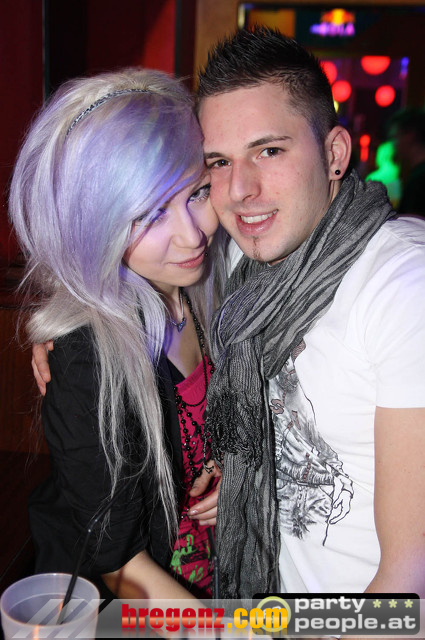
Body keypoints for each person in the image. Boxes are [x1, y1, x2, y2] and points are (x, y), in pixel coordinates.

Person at [197, 27, 425, 598]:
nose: (240, 189)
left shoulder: (401, 286)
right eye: (219, 161)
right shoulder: (241, 265)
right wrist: (62, 329)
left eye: (269, 151)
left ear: (334, 154)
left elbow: (409, 586)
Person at [10, 67, 225, 600]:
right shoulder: (84, 356)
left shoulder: (217, 288)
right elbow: (121, 569)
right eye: (149, 215)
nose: (192, 235)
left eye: (198, 192)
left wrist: (236, 468)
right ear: (97, 222)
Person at [389, 107, 425, 217]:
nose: (394, 144)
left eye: (395, 137)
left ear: (409, 136)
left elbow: (413, 221)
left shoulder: (419, 180)